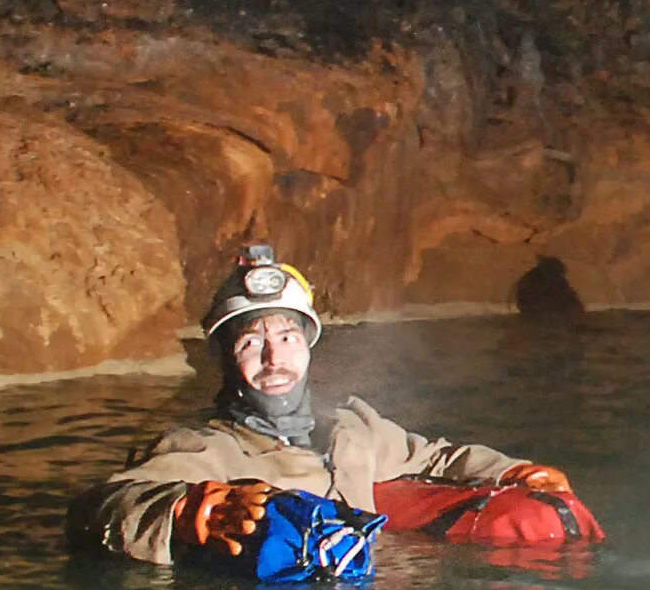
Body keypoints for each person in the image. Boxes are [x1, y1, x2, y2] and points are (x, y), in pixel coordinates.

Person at [74, 243, 573, 567]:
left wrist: (516, 471)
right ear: (227, 358)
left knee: (543, 519)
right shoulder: (207, 448)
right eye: (252, 343)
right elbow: (100, 506)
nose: (275, 358)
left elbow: (437, 457)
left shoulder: (349, 426)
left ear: (308, 345)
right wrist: (189, 513)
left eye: (288, 337)